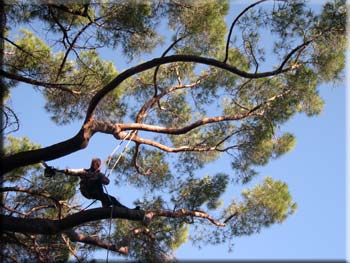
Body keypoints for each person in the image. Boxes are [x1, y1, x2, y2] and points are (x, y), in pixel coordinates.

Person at [45, 158, 139, 209]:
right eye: (97, 164)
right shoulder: (87, 172)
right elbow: (70, 171)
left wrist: (103, 178)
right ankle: (127, 210)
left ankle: (106, 205)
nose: (97, 166)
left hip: (92, 192)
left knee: (108, 198)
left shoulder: (94, 174)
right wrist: (56, 170)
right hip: (88, 191)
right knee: (111, 199)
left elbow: (106, 182)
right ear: (96, 165)